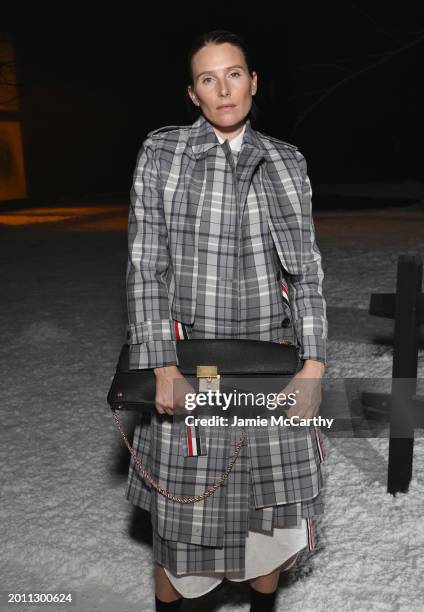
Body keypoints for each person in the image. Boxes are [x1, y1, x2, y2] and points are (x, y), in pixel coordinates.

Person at [125, 30, 327, 612]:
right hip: (192, 367)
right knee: (183, 539)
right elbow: (146, 269)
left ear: (253, 81)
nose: (223, 89)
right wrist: (162, 364)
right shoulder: (164, 154)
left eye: (234, 73)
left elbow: (305, 270)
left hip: (269, 369)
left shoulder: (285, 161)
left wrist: (312, 365)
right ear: (193, 94)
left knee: (271, 530)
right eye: (208, 79)